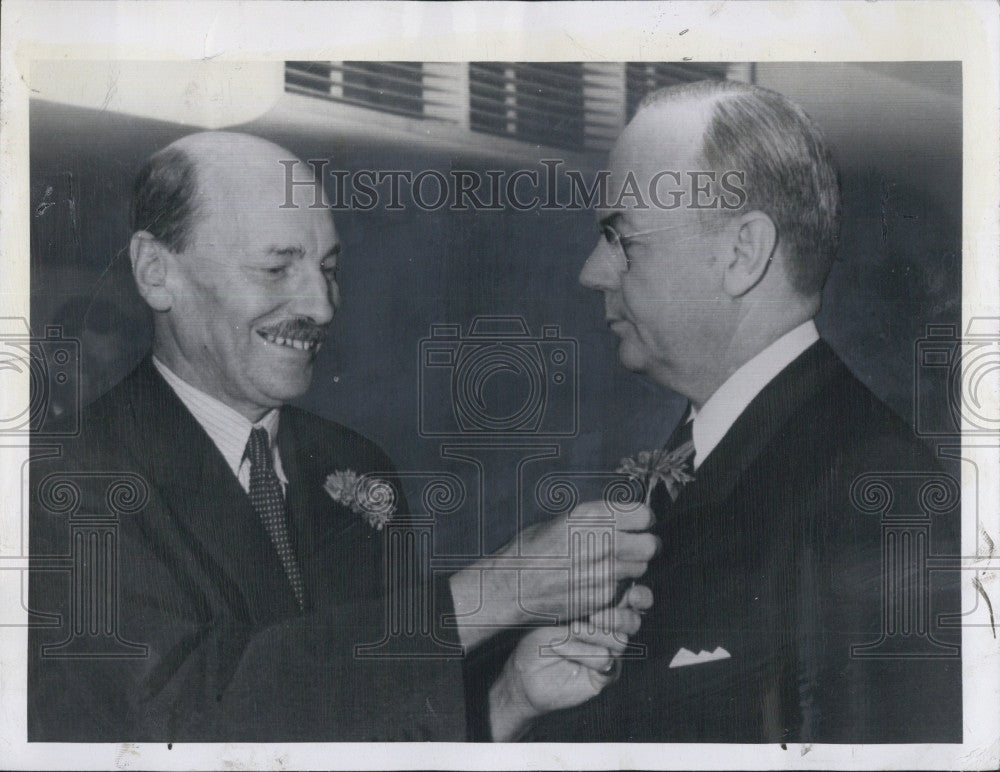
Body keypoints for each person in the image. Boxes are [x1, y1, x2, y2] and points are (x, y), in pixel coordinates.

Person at [28, 131, 656, 742]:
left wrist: (508, 700)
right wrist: (493, 592)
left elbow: (381, 721)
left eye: (328, 268)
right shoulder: (58, 477)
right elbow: (177, 719)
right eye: (277, 268)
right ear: (156, 271)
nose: (323, 307)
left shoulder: (356, 466)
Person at [523, 80, 962, 743]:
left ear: (741, 254)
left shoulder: (874, 487)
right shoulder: (713, 448)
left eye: (622, 238)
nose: (592, 271)